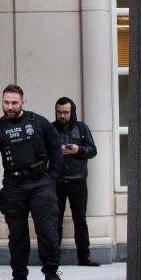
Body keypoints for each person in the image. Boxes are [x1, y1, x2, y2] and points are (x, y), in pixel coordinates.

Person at [0, 84, 66, 280]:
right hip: (14, 186)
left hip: (41, 184)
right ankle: (19, 277)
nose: (9, 106)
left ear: (22, 103)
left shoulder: (38, 122)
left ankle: (51, 275)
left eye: (14, 102)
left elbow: (56, 147)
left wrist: (53, 177)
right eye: (6, 102)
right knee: (17, 234)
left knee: (47, 230)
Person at [52, 96, 100, 267]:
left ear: (72, 111)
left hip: (78, 180)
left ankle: (84, 256)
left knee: (80, 219)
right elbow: (42, 152)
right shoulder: (51, 129)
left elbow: (93, 150)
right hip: (57, 181)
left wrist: (78, 149)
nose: (62, 115)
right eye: (59, 112)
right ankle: (53, 258)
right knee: (54, 220)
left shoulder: (81, 128)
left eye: (66, 112)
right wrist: (59, 151)